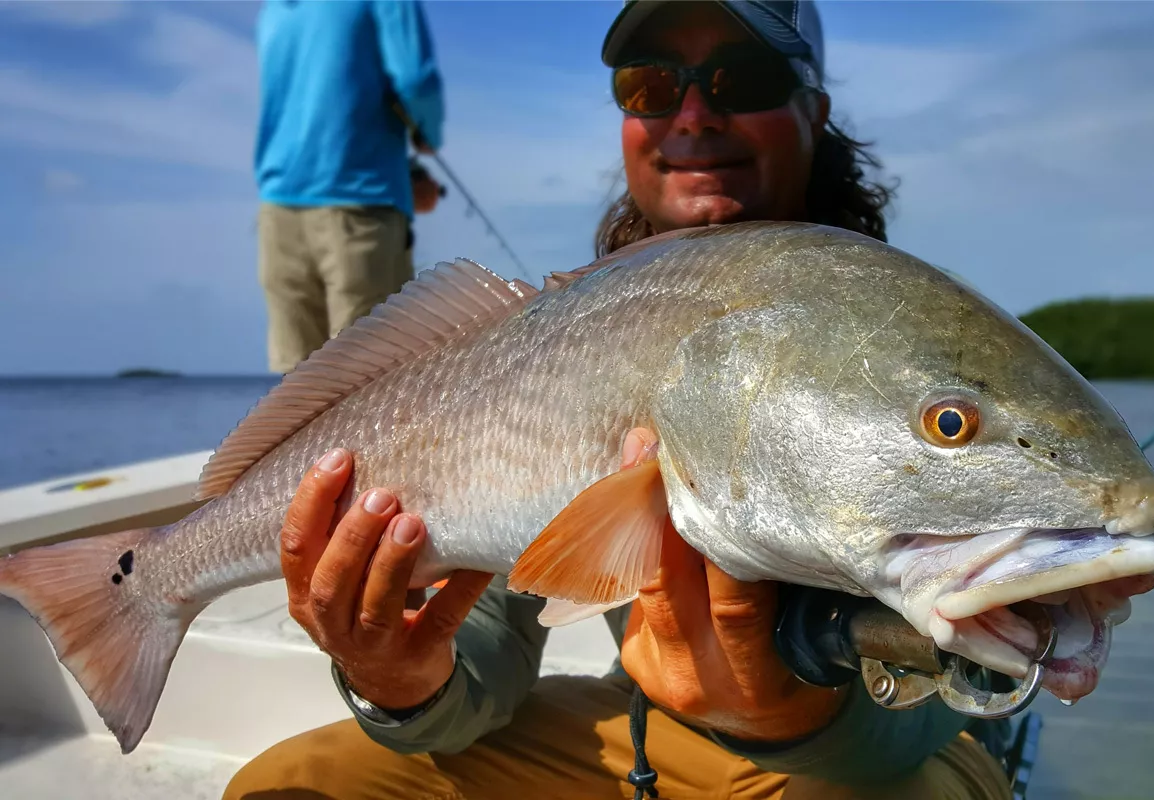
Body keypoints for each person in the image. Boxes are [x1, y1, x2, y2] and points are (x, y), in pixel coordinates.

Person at [224, 2, 1014, 798]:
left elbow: (974, 682)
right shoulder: (571, 342)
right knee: (289, 786)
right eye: (650, 86)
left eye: (744, 78)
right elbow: (485, 659)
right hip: (646, 733)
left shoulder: (919, 346)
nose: (694, 115)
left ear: (814, 111)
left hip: (883, 760)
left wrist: (798, 718)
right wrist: (402, 680)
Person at [254, 0, 446, 375]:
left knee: (293, 393)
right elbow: (415, 80)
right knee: (373, 383)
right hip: (362, 211)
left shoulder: (275, 10)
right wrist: (427, 134)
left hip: (277, 213)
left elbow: (315, 110)